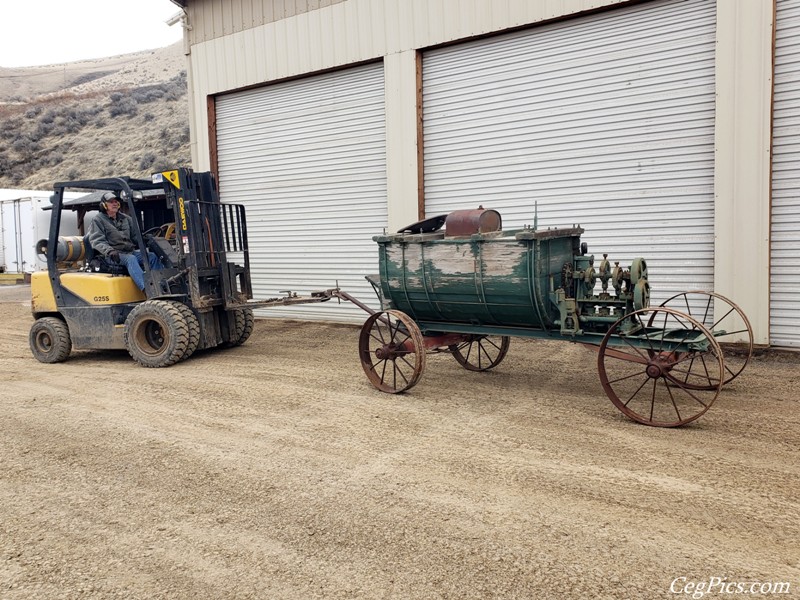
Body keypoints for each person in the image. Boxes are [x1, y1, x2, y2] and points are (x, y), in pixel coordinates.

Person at [86, 191, 163, 291]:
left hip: (129, 251)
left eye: (116, 201)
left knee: (152, 256)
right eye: (111, 202)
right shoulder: (98, 220)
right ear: (104, 205)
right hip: (111, 255)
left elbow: (135, 237)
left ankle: (160, 285)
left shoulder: (126, 219)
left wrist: (145, 239)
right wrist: (109, 251)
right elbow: (97, 241)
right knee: (130, 259)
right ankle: (148, 289)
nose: (114, 204)